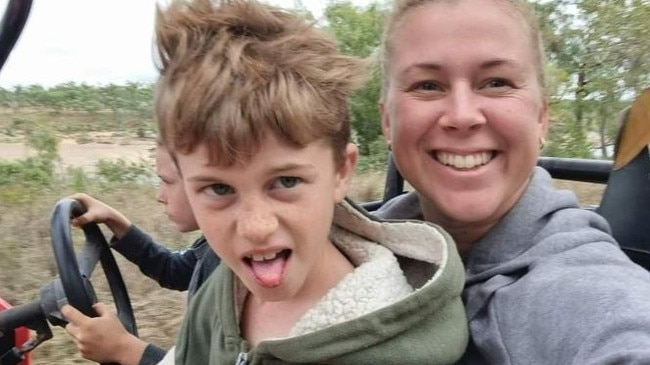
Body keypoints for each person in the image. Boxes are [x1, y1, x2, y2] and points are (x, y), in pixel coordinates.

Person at [153, 0, 468, 364]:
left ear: (341, 171)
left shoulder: (398, 352)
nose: (257, 228)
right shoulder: (221, 293)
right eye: (219, 189)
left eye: (285, 182)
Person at [375, 0, 650, 363]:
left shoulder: (592, 289)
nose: (462, 116)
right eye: (427, 85)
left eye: (496, 83)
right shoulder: (354, 251)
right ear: (388, 122)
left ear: (541, 118)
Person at [61, 142, 221, 365]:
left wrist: (124, 348)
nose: (159, 195)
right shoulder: (216, 248)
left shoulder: (243, 275)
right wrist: (113, 219)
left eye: (166, 181)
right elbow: (173, 270)